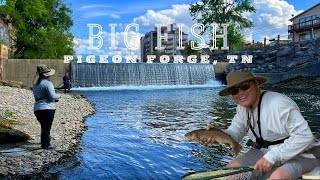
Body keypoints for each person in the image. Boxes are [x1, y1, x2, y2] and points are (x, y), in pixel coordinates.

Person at [202, 71, 320, 179]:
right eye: (234, 91)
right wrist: (219, 135)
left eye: (244, 86)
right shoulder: (242, 108)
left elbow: (304, 136)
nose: (240, 93)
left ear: (256, 83)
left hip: (303, 154)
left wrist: (272, 157)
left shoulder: (279, 105)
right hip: (265, 151)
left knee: (277, 177)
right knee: (228, 173)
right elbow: (236, 132)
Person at [32, 64, 60, 149]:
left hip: (37, 108)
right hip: (48, 108)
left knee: (44, 126)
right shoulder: (48, 83)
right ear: (47, 75)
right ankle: (46, 145)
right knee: (47, 127)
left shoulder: (35, 84)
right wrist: (59, 96)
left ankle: (44, 140)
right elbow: (53, 96)